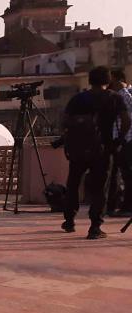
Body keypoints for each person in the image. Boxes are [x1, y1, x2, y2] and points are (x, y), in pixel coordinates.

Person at [61, 66, 131, 239]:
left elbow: (65, 121)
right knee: (100, 188)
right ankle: (95, 227)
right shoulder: (114, 98)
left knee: (73, 183)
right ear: (108, 81)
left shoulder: (79, 98)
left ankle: (69, 220)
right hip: (103, 149)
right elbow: (126, 120)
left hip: (79, 149)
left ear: (90, 80)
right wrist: (118, 141)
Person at [107, 68, 132, 217]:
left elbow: (127, 119)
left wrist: (121, 140)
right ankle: (122, 205)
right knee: (124, 175)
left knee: (127, 175)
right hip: (123, 139)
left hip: (126, 140)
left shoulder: (124, 95)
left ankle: (127, 207)